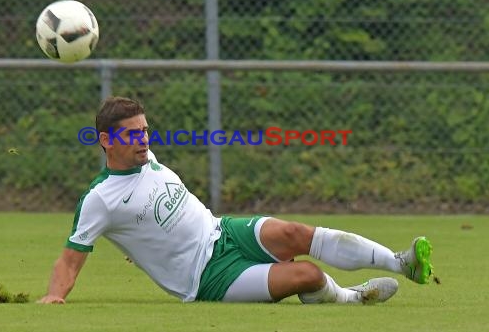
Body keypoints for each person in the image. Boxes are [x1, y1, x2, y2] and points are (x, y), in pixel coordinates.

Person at [38, 96, 436, 305]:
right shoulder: (99, 199)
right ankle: (351, 298)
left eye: (145, 130)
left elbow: (149, 219)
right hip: (207, 277)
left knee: (295, 232)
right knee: (307, 276)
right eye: (132, 134)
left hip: (223, 231)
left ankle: (402, 263)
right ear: (106, 141)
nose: (143, 139)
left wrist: (146, 243)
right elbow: (71, 258)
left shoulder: (149, 160)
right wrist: (56, 295)